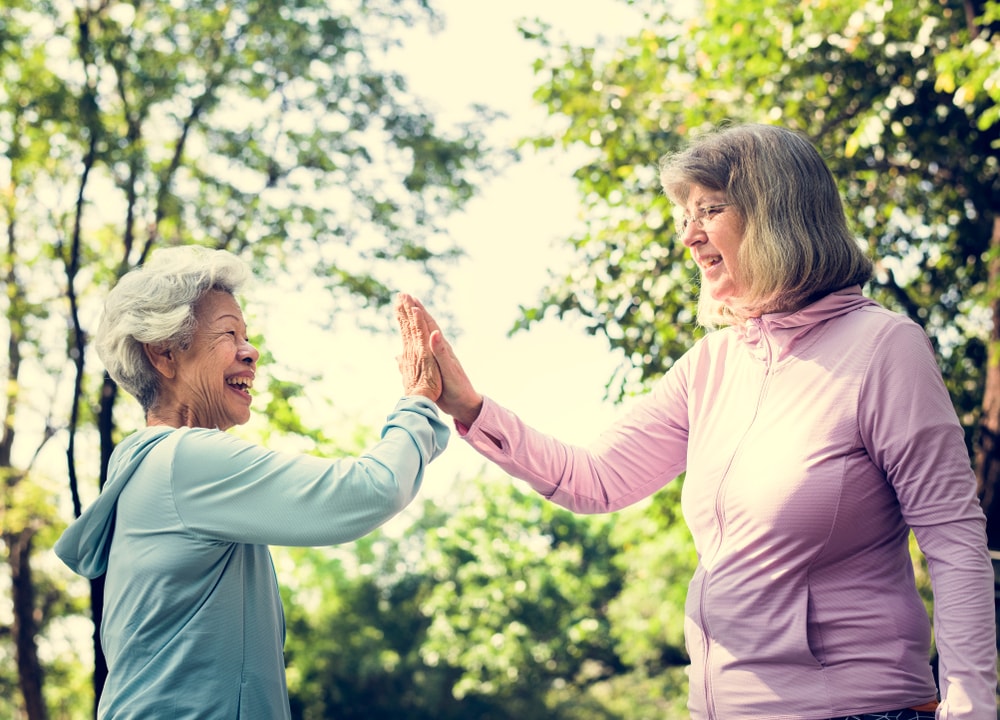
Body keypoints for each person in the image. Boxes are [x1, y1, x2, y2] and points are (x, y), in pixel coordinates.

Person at [398, 123, 998, 719]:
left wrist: (970, 708)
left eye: (709, 210)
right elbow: (596, 480)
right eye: (685, 216)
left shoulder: (884, 347)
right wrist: (471, 409)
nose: (689, 236)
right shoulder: (710, 364)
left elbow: (954, 539)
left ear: (778, 215)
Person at [55, 245, 448, 719]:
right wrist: (420, 399)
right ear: (163, 354)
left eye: (247, 335)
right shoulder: (185, 460)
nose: (251, 351)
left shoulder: (146, 469)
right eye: (229, 334)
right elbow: (371, 489)